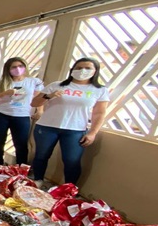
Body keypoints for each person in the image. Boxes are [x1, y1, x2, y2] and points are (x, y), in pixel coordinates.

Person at [30, 57, 110, 186]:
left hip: (75, 130)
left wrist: (93, 132)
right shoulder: (56, 85)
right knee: (41, 156)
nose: (82, 70)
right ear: (72, 70)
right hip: (47, 127)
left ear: (95, 71)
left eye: (87, 68)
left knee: (71, 160)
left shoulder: (100, 90)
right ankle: (38, 180)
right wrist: (48, 96)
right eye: (79, 68)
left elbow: (99, 113)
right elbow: (34, 102)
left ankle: (69, 189)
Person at [0, 57, 44, 165]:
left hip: (22, 116)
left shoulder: (34, 82)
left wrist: (40, 111)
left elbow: (39, 98)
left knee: (21, 144)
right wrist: (3, 93)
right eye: (14, 67)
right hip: (0, 115)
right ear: (8, 69)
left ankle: (20, 169)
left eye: (20, 66)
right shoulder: (2, 83)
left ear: (25, 67)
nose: (17, 69)